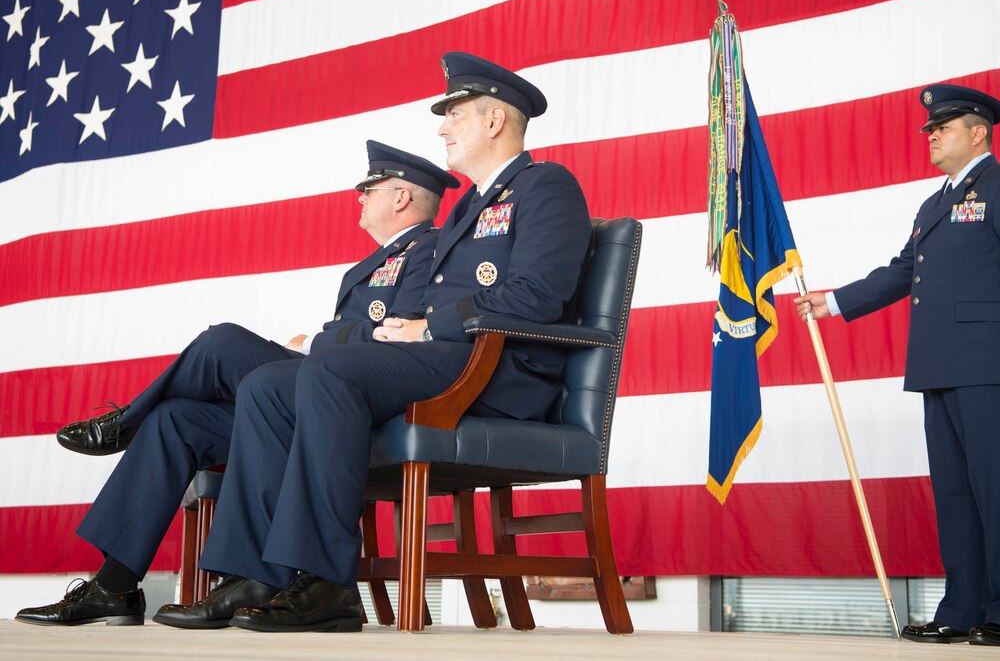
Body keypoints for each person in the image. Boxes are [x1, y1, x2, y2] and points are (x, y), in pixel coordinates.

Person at [152, 52, 592, 633]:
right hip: (438, 361)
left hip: (495, 371)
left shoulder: (547, 186)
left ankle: (328, 584)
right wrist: (395, 330)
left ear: (492, 121)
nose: (442, 127)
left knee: (329, 374)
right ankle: (251, 573)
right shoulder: (467, 209)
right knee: (266, 385)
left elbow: (538, 296)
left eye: (453, 114)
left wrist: (429, 327)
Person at [15, 142, 459, 627]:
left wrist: (317, 339)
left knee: (221, 341)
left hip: (349, 402)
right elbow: (360, 335)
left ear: (399, 198)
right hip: (312, 399)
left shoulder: (431, 251)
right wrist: (328, 341)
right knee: (175, 421)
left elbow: (399, 333)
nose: (359, 198)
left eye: (368, 189)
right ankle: (112, 587)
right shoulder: (370, 264)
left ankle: (125, 423)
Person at [794, 84, 1000, 649]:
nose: (932, 136)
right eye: (930, 129)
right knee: (954, 494)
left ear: (978, 133)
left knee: (999, 492)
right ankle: (963, 608)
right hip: (940, 365)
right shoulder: (933, 204)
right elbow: (904, 270)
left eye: (943, 128)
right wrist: (837, 302)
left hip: (995, 365)